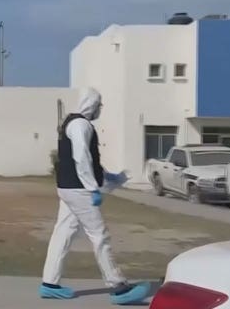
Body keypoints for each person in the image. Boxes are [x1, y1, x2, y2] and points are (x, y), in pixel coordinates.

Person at [39, 87, 150, 305]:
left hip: (68, 188)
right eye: (99, 105)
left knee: (64, 233)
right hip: (80, 190)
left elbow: (89, 162)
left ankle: (49, 284)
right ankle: (118, 287)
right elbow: (81, 158)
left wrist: (113, 178)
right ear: (92, 105)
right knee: (99, 236)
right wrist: (92, 189)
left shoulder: (72, 123)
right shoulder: (81, 125)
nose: (100, 109)